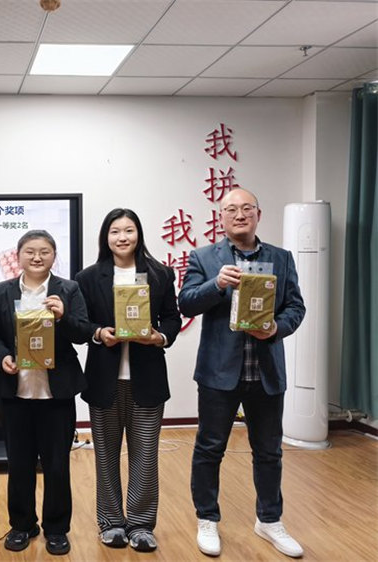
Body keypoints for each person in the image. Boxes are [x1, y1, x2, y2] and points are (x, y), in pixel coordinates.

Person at [178, 188, 306, 558]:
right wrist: (216, 284)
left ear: (258, 215)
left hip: (266, 373)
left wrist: (276, 328)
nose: (239, 214)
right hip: (219, 373)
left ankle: (269, 520)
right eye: (231, 209)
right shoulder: (204, 257)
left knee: (269, 452)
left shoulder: (280, 258)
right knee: (209, 449)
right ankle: (207, 518)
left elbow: (295, 307)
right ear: (221, 217)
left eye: (247, 208)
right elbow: (186, 303)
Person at [75, 209, 181, 552]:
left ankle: (140, 525)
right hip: (104, 379)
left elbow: (172, 318)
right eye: (115, 231)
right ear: (105, 237)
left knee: (145, 456)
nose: (122, 237)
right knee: (105, 455)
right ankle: (111, 523)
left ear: (139, 234)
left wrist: (159, 337)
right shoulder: (89, 277)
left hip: (147, 379)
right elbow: (80, 323)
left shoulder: (160, 274)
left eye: (129, 230)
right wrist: (98, 333)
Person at [0, 230, 91, 556]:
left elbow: (83, 333)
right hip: (16, 393)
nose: (36, 257)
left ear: (53, 256)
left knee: (57, 465)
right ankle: (22, 525)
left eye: (44, 251)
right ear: (17, 256)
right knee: (19, 465)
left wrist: (63, 316)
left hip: (56, 394)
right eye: (29, 251)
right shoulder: (3, 291)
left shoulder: (68, 289)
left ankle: (57, 529)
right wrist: (2, 356)